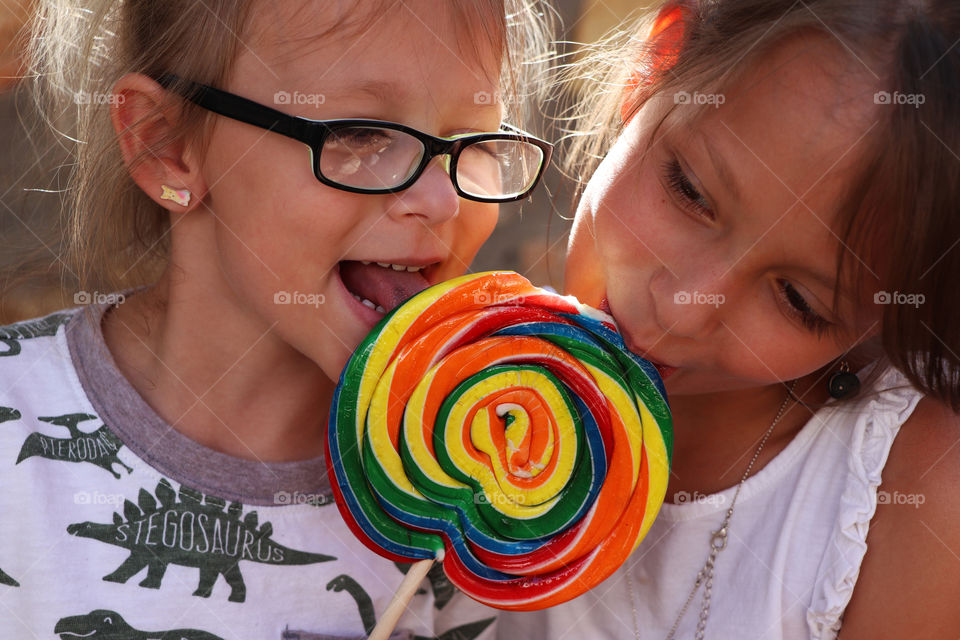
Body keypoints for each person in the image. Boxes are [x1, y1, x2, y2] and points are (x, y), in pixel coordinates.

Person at [0, 1, 552, 637]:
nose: (441, 199)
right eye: (361, 134)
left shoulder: (481, 504)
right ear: (165, 144)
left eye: (470, 143)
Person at [499, 0, 960, 638]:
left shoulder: (911, 496)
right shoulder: (455, 382)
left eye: (799, 300)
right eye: (689, 191)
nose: (682, 311)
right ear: (658, 64)